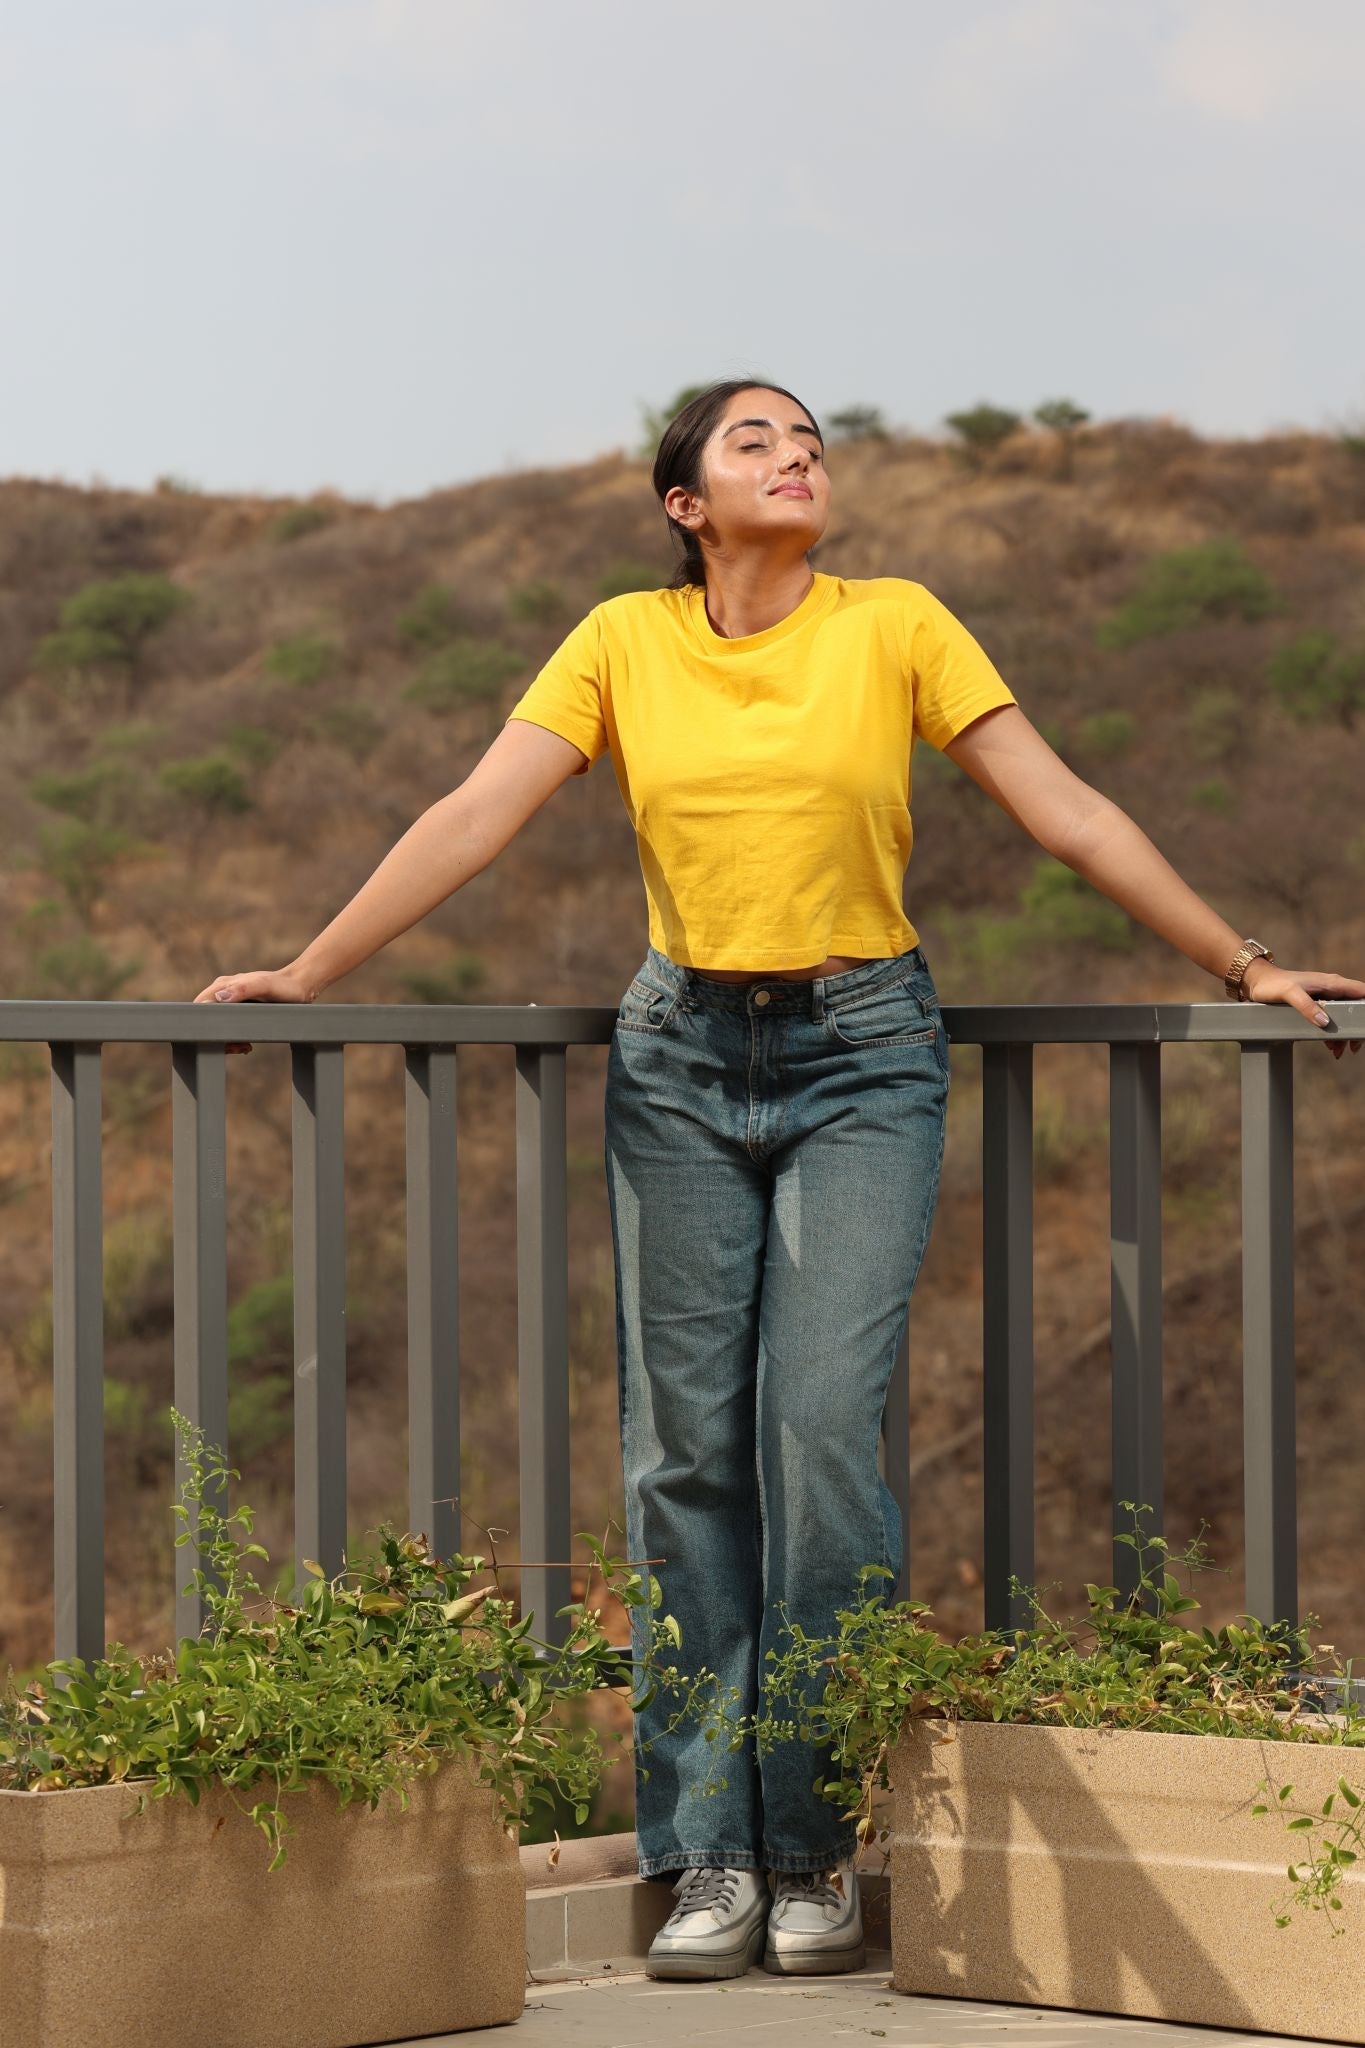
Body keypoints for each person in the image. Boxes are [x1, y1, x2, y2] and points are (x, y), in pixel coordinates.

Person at [194, 376, 1363, 1983]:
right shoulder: (620, 641)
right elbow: (475, 812)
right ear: (685, 503)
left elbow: (1063, 810)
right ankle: (703, 1853)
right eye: (754, 439)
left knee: (818, 1435)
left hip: (863, 1052)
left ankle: (810, 1841)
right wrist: (306, 973)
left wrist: (1240, 962)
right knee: (684, 1456)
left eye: (808, 438)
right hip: (677, 1062)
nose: (795, 454)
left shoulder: (896, 626)